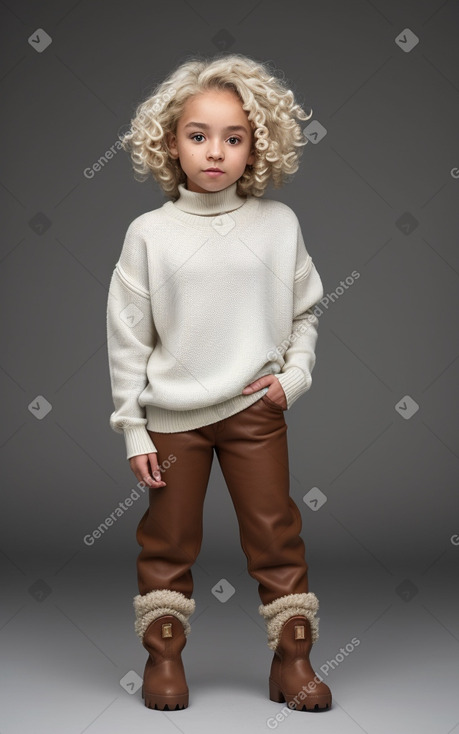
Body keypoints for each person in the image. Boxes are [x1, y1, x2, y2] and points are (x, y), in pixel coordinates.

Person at [106, 52, 332, 713]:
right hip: (172, 419)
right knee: (168, 541)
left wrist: (293, 378)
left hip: (254, 411)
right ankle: (164, 661)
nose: (215, 151)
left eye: (234, 137)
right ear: (169, 142)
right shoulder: (148, 235)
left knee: (274, 534)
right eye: (198, 135)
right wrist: (131, 427)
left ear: (256, 145)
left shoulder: (277, 225)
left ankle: (293, 662)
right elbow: (127, 339)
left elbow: (303, 314)